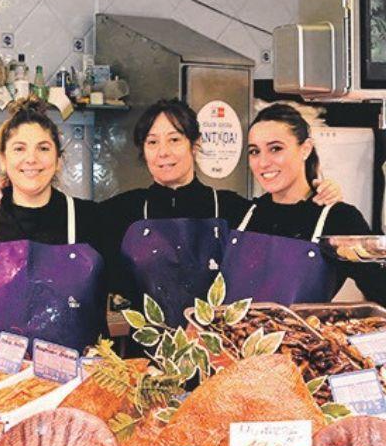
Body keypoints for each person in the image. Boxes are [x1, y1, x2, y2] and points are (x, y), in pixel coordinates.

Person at [105, 98, 339, 324]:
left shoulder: (236, 210)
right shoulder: (122, 210)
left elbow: (287, 220)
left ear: (195, 144)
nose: (163, 152)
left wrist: (319, 192)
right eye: (152, 142)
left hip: (217, 351)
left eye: (174, 140)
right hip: (144, 357)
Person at [0, 98, 115, 351]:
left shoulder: (92, 218)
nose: (31, 159)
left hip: (74, 382)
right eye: (19, 149)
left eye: (43, 148)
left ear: (59, 160)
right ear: (2, 159)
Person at [219, 102, 386, 305]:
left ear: (305, 149)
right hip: (233, 336)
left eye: (275, 148)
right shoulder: (240, 213)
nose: (263, 162)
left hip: (301, 337)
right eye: (255, 151)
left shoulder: (338, 219)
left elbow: (379, 288)